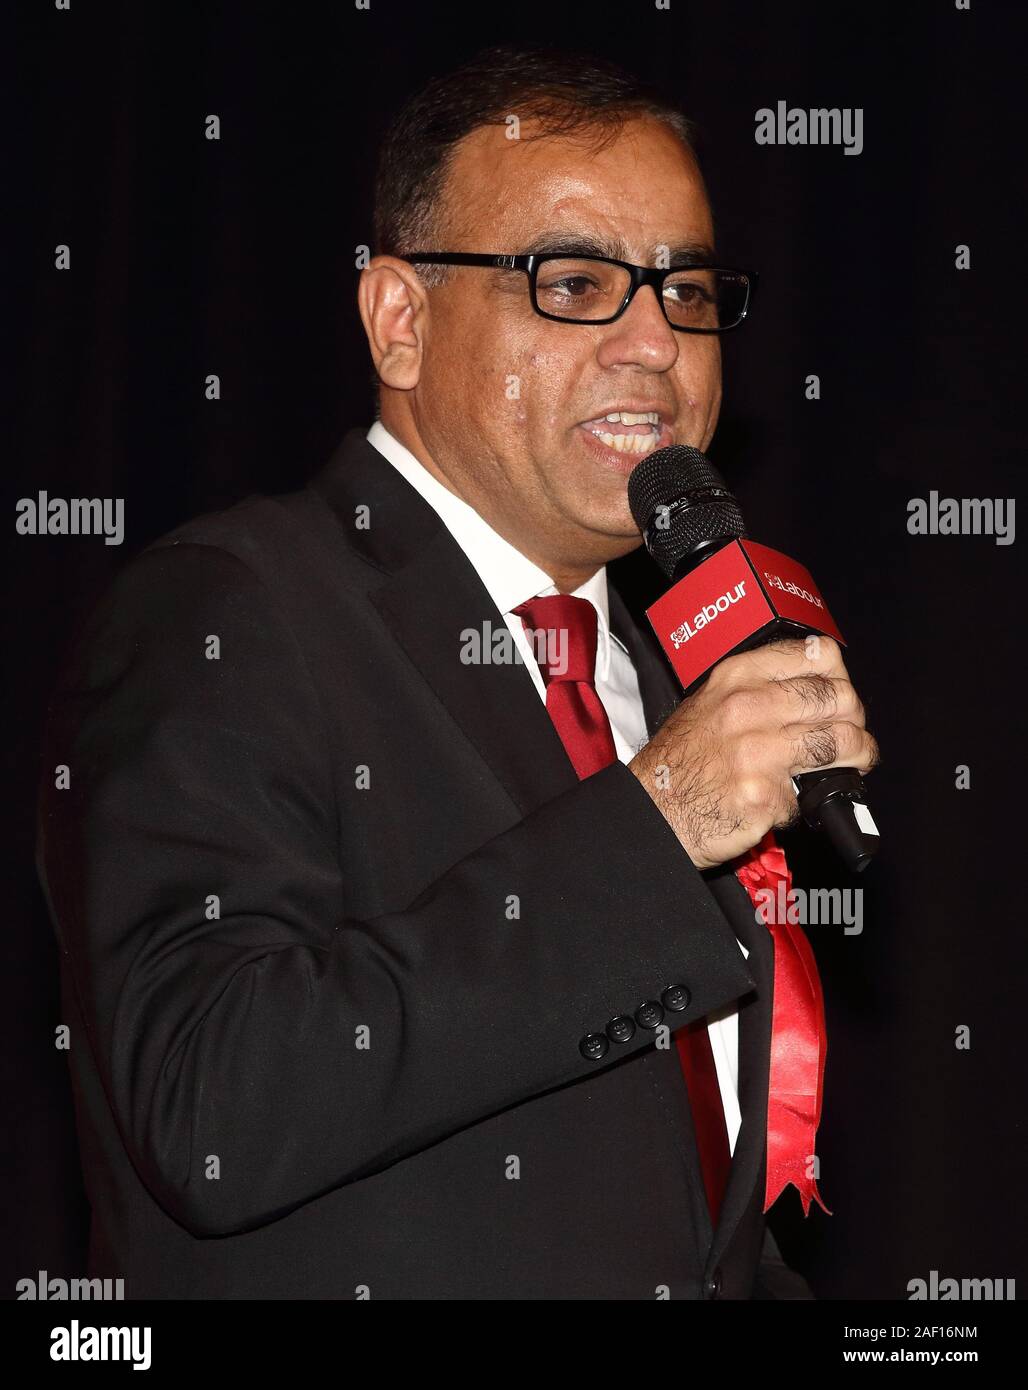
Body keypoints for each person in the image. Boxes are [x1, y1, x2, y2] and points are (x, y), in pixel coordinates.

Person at [36, 45, 878, 1299]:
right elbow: (211, 1101)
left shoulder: (666, 669)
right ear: (400, 320)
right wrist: (658, 823)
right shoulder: (229, 608)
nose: (655, 342)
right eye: (576, 281)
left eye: (689, 290)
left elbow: (678, 1216)